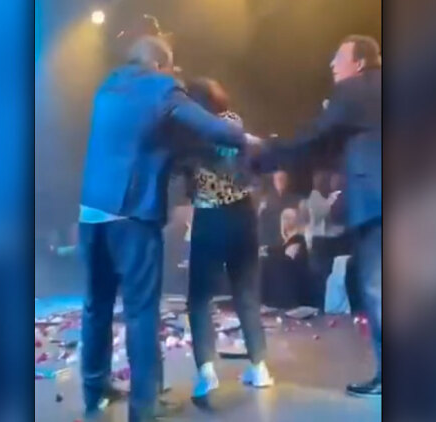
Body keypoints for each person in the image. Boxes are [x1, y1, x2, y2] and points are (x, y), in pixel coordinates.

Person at [78, 36, 256, 421]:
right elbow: (216, 130)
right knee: (141, 310)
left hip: (91, 212)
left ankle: (94, 391)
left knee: (96, 306)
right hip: (131, 216)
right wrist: (245, 138)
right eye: (171, 67)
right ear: (161, 64)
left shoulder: (108, 87)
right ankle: (145, 405)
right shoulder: (160, 87)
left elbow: (143, 141)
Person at [254, 34, 382, 396]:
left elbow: (313, 137)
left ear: (359, 63)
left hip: (377, 199)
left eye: (338, 58)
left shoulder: (355, 89)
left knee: (377, 289)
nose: (332, 65)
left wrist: (265, 153)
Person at [181, 78, 273, 398]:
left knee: (199, 298)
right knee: (246, 292)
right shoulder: (233, 122)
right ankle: (260, 367)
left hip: (209, 218)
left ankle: (206, 372)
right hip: (241, 214)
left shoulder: (190, 134)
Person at [300, 171, 350, 307]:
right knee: (321, 278)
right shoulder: (315, 198)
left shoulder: (336, 197)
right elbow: (319, 214)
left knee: (328, 277)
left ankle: (327, 305)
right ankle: (322, 306)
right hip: (322, 242)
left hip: (331, 241)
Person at [261, 208, 311, 308]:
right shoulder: (285, 242)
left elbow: (288, 259)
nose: (286, 220)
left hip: (293, 284)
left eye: (289, 218)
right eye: (284, 218)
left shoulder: (298, 240)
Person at [258, 170, 303, 248]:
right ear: (274, 181)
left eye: (282, 179)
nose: (280, 181)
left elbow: (301, 224)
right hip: (270, 242)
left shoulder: (296, 200)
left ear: (287, 181)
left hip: (290, 243)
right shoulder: (266, 200)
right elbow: (261, 222)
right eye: (277, 179)